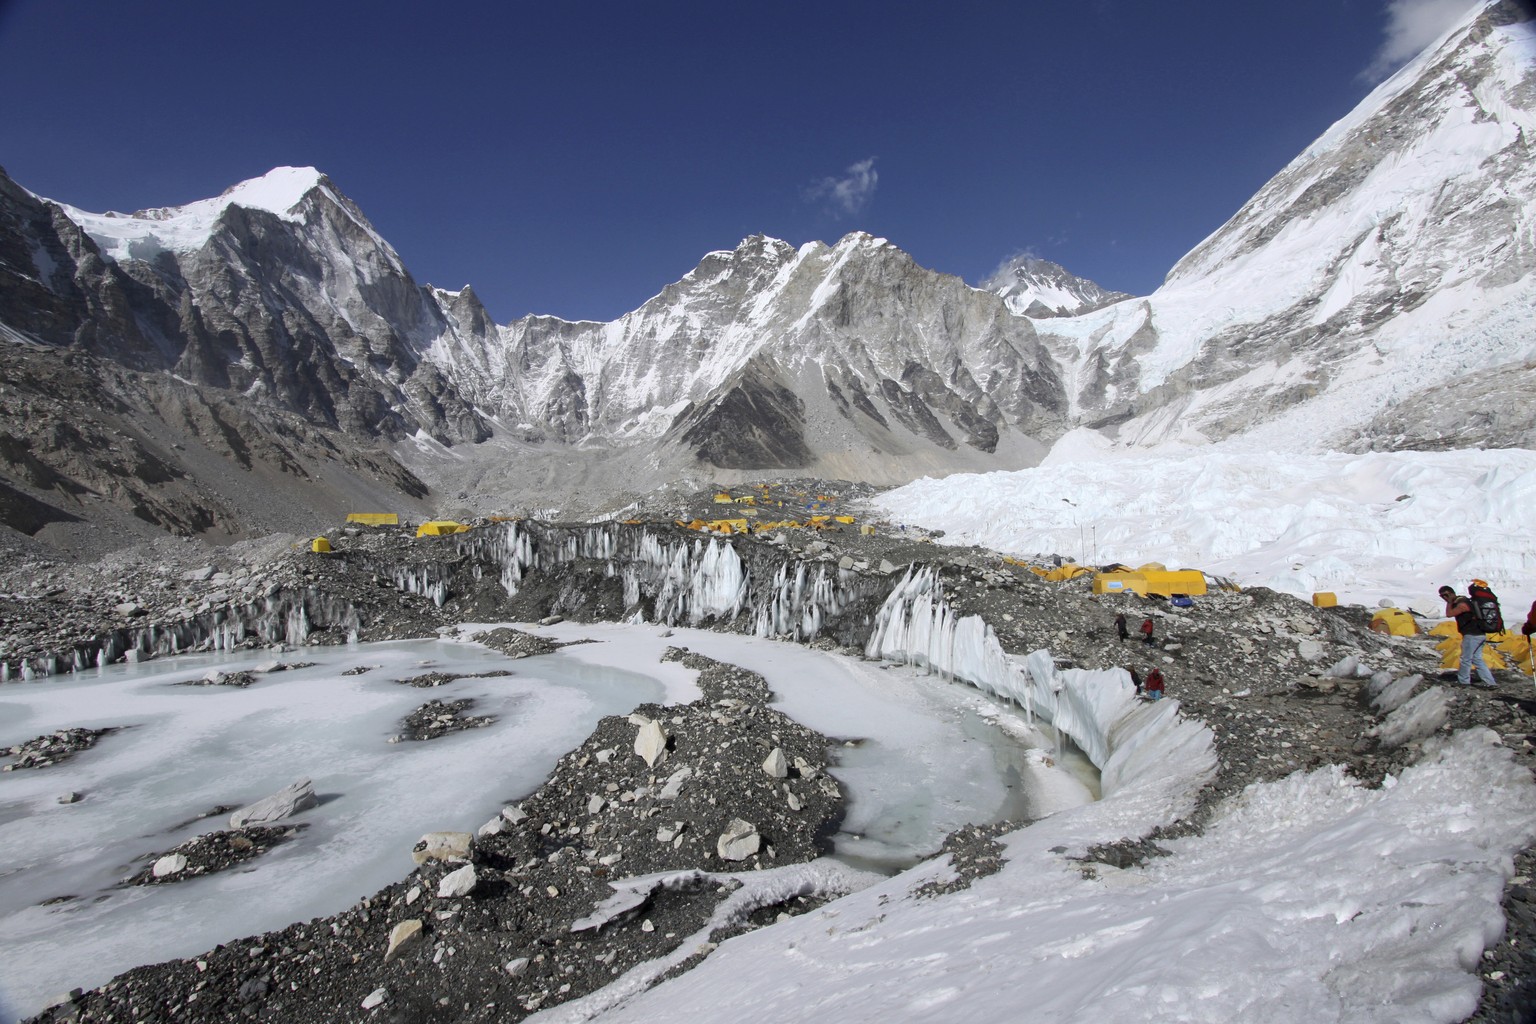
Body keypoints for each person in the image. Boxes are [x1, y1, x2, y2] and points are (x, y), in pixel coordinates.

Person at [1439, 585, 1497, 689]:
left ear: (1452, 593)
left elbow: (1449, 614)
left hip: (1472, 635)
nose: (1445, 598)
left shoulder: (1462, 604)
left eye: (1446, 595)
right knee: (1477, 659)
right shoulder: (1465, 601)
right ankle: (1490, 682)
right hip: (1479, 634)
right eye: (1442, 596)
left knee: (1466, 659)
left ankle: (1464, 681)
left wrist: (1449, 602)